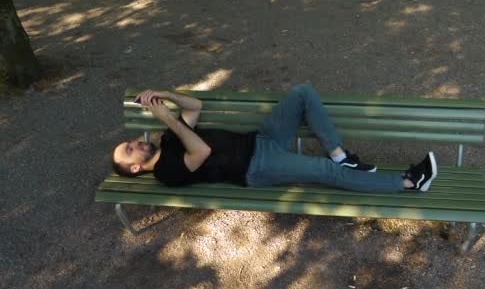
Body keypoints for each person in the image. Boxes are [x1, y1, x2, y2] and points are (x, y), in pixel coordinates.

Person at [112, 84, 437, 193]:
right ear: (136, 169)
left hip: (261, 140)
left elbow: (195, 106)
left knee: (302, 93)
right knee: (325, 173)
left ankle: (340, 154)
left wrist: (165, 95)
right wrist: (167, 118)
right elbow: (201, 151)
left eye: (131, 142)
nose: (136, 143)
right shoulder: (166, 171)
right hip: (256, 167)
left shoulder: (169, 139)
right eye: (130, 150)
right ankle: (409, 183)